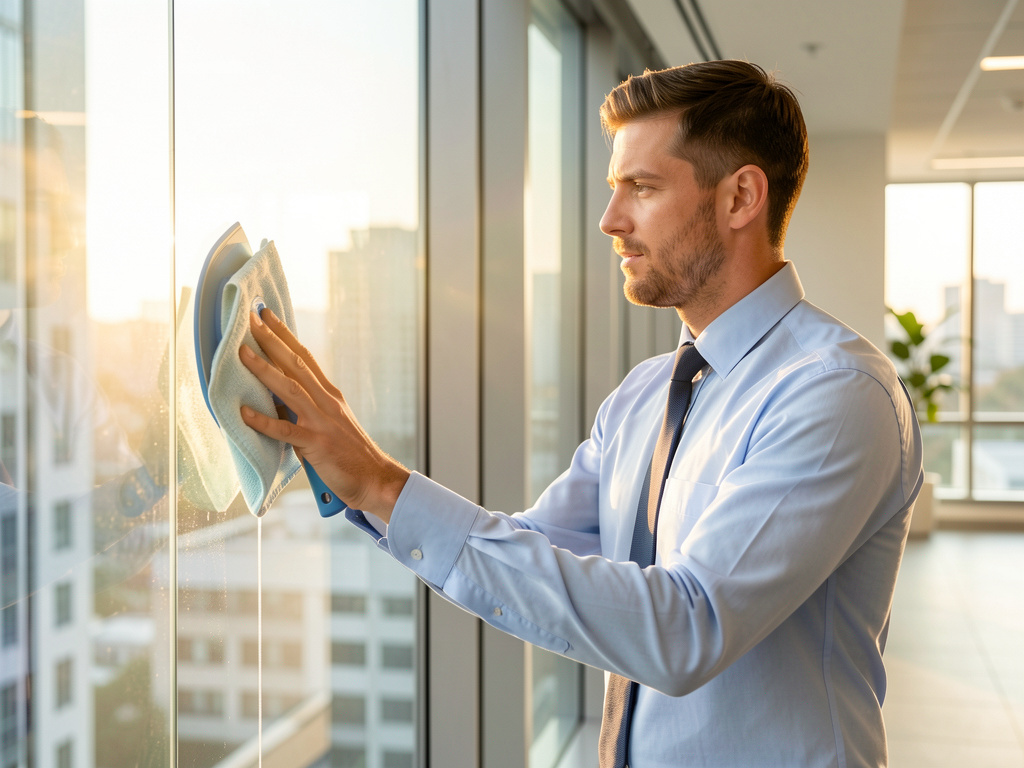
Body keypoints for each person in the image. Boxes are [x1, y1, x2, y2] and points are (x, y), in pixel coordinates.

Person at [239, 60, 923, 767]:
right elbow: (532, 551)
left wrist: (383, 484)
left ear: (741, 197)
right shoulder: (645, 395)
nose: (610, 220)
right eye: (612, 188)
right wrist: (349, 468)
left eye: (643, 188)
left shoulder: (837, 393)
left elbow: (688, 629)